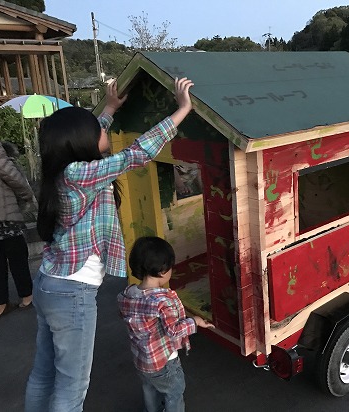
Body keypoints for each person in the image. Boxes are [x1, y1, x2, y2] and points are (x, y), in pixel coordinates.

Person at [24, 77, 194, 412]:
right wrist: (183, 109)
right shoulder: (81, 173)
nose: (104, 131)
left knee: (44, 374)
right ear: (82, 141)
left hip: (49, 282)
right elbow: (137, 153)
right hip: (72, 292)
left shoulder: (64, 168)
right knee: (73, 386)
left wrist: (110, 110)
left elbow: (91, 136)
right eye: (97, 128)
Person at [118, 236, 214, 412]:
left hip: (141, 360)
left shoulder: (127, 295)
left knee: (149, 388)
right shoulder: (162, 301)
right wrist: (195, 322)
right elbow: (174, 331)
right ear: (163, 271)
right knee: (174, 392)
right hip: (164, 363)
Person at [0, 106, 37, 320]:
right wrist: (28, 194)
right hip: (3, 212)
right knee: (17, 255)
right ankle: (27, 296)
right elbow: (12, 175)